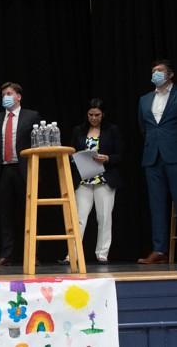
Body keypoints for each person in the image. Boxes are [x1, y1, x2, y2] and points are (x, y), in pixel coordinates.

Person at [137, 59, 177, 265]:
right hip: (152, 157)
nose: (155, 73)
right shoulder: (144, 100)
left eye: (160, 70)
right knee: (156, 206)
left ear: (170, 74)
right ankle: (160, 250)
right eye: (153, 70)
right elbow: (144, 128)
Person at [59, 98, 124, 265]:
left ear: (103, 114)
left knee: (104, 217)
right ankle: (72, 254)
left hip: (104, 179)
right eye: (91, 115)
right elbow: (71, 151)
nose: (94, 118)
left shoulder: (112, 130)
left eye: (97, 115)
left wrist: (107, 158)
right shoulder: (79, 131)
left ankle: (102, 253)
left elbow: (120, 155)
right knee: (79, 218)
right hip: (84, 179)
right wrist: (77, 159)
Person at [0, 82, 40, 266]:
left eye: (9, 93)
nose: (5, 97)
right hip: (2, 170)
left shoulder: (31, 116)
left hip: (23, 169)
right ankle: (6, 254)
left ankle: (31, 253)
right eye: (3, 94)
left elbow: (37, 143)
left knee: (28, 213)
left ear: (19, 96)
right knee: (5, 215)